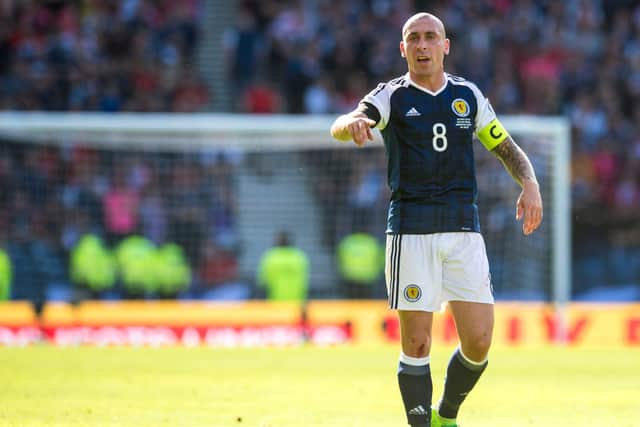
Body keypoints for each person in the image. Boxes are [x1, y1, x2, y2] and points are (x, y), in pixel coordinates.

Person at [330, 12, 543, 427]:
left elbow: (504, 146)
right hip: (411, 231)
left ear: (446, 46)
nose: (423, 45)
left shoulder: (468, 96)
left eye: (431, 38)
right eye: (414, 38)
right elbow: (343, 123)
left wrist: (530, 181)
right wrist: (351, 124)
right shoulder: (391, 96)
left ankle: (446, 415)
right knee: (417, 340)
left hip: (464, 229)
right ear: (403, 48)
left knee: (479, 341)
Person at [256, 232, 309, 302]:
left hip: (275, 301)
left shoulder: (270, 257)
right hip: (296, 301)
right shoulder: (299, 256)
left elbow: (262, 281)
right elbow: (304, 279)